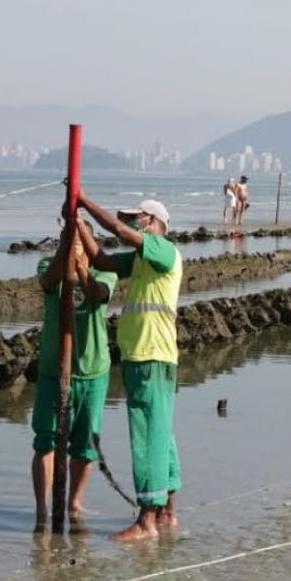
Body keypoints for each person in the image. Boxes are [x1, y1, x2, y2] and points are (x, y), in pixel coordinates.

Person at [80, 195, 183, 542]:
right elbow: (101, 259)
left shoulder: (164, 251)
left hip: (151, 354)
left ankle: (146, 520)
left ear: (154, 223)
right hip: (146, 354)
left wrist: (83, 200)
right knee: (161, 431)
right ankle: (167, 511)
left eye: (140, 219)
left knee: (148, 434)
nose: (135, 225)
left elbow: (118, 230)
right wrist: (79, 226)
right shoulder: (141, 259)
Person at [31, 219, 116, 527]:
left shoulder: (104, 272)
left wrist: (81, 270)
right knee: (46, 439)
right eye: (67, 240)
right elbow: (48, 281)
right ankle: (42, 508)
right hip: (54, 371)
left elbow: (97, 294)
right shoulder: (47, 265)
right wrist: (65, 255)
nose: (73, 246)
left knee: (85, 444)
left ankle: (74, 504)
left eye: (80, 242)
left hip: (92, 371)